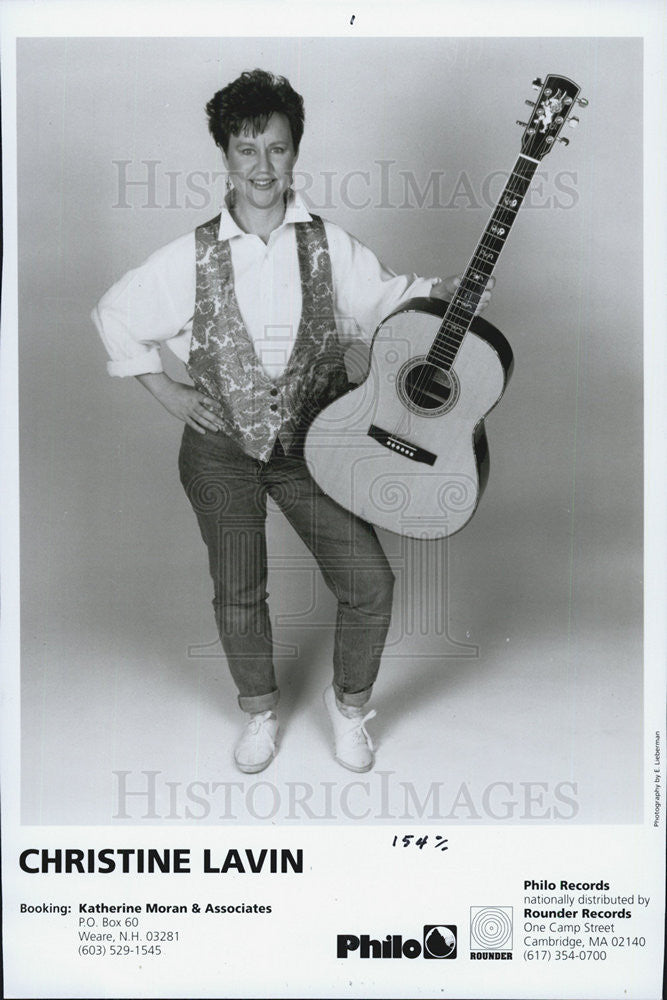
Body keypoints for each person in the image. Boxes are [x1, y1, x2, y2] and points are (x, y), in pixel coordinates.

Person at [92, 69, 493, 776]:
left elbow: (389, 301)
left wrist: (445, 292)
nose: (262, 167)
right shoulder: (190, 255)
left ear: (294, 152)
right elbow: (115, 316)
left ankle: (349, 710)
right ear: (224, 155)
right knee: (239, 590)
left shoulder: (329, 245)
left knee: (368, 581)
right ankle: (258, 713)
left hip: (316, 445)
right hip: (219, 451)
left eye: (276, 149)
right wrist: (170, 394)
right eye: (246, 150)